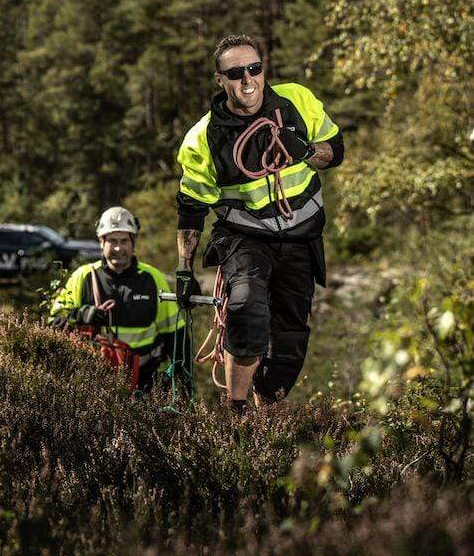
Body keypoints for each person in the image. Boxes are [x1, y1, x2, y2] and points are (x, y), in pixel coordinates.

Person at [175, 34, 344, 415]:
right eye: (235, 73)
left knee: (291, 340)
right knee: (246, 307)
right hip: (244, 236)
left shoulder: (296, 100)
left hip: (301, 236)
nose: (248, 80)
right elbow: (191, 209)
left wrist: (306, 151)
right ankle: (236, 412)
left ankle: (264, 412)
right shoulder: (204, 137)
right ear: (220, 80)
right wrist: (184, 270)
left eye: (254, 69)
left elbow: (336, 152)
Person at [50, 206, 189, 391]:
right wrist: (81, 314)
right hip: (93, 382)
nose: (118, 248)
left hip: (146, 382)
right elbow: (53, 323)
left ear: (133, 243)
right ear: (101, 242)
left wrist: (184, 382)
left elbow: (176, 335)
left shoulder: (153, 279)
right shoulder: (82, 277)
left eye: (124, 241)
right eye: (112, 241)